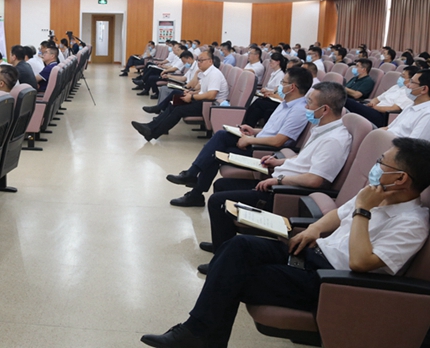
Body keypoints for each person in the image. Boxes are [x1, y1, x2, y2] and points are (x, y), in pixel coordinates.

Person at [141, 137, 430, 348]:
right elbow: (336, 215)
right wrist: (313, 229)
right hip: (312, 253)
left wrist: (363, 211)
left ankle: (197, 334)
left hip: (331, 280)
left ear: (401, 178)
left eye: (381, 163)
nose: (375, 167)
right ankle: (199, 335)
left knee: (232, 276)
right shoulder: (377, 193)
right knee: (237, 247)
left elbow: (360, 262)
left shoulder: (412, 223)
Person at [200, 82, 351, 264]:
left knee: (218, 201)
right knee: (221, 185)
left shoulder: (334, 140)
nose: (306, 107)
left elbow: (315, 180)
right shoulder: (322, 128)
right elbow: (304, 159)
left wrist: (279, 181)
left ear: (324, 109)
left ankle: (222, 261)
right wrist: (279, 162)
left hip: (285, 193)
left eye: (310, 102)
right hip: (278, 181)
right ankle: (222, 247)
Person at [167, 68, 313, 207]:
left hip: (264, 152)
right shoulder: (286, 104)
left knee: (215, 152)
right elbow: (272, 131)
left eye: (283, 82)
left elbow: (278, 141)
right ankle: (193, 180)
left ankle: (194, 186)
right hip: (258, 142)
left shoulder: (298, 110)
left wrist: (250, 140)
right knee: (221, 136)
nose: (280, 86)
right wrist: (254, 131)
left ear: (292, 87)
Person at [131, 51, 228, 141]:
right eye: (198, 60)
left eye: (201, 60)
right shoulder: (205, 73)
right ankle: (150, 127)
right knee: (174, 103)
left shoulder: (214, 74)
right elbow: (202, 90)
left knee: (178, 110)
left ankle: (152, 133)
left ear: (210, 61)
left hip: (210, 106)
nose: (199, 63)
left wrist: (192, 97)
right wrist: (191, 93)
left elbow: (211, 95)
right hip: (203, 102)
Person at [346, 66, 418, 127]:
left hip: (382, 116)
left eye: (403, 76)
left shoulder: (409, 93)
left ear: (411, 80)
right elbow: (377, 99)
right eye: (401, 75)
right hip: (374, 109)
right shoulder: (396, 87)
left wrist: (375, 107)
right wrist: (372, 103)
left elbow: (394, 108)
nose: (400, 78)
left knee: (346, 101)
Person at [241, 53, 288, 127]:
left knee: (258, 103)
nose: (270, 63)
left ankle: (247, 124)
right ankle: (246, 124)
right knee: (257, 108)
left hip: (275, 100)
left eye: (271, 61)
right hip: (270, 96)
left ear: (278, 62)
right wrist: (266, 90)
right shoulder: (274, 73)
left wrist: (268, 92)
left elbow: (277, 91)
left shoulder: (281, 75)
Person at [384, 69, 430, 139]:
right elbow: (388, 128)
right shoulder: (410, 106)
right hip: (385, 139)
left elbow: (412, 144)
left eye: (412, 82)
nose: (407, 85)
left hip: (394, 144)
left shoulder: (427, 115)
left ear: (424, 89)